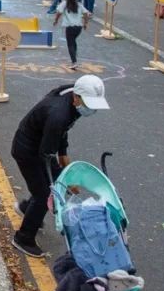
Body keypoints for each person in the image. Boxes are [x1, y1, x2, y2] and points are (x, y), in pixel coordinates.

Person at [11, 75, 110, 257]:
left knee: (45, 186)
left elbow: (61, 136)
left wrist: (65, 162)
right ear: (76, 98)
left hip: (41, 142)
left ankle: (26, 209)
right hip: (27, 150)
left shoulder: (73, 96)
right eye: (89, 104)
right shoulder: (58, 114)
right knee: (45, 193)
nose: (92, 109)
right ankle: (23, 238)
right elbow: (47, 156)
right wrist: (64, 180)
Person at [53, 0, 89, 70]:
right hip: (78, 28)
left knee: (70, 44)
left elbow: (58, 12)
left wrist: (56, 20)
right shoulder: (79, 4)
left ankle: (74, 61)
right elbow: (86, 13)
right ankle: (74, 56)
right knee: (73, 41)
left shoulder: (64, 4)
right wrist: (85, 23)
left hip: (70, 27)